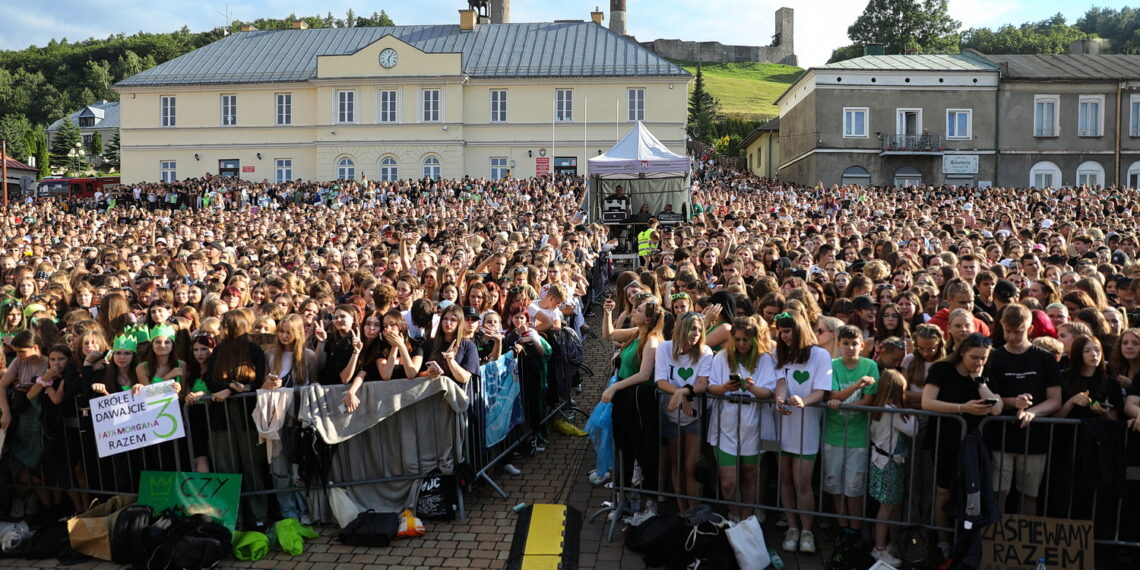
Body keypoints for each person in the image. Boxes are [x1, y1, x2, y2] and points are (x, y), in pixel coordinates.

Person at [921, 332, 1002, 556]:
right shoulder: (941, 370)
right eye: (974, 357)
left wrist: (980, 382)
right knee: (943, 493)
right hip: (944, 438)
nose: (979, 362)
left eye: (984, 358)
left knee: (971, 495)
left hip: (974, 444)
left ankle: (966, 542)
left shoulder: (984, 374)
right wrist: (962, 408)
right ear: (962, 353)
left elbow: (997, 407)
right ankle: (943, 541)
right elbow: (927, 402)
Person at [986, 303, 1061, 516]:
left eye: (1017, 332)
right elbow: (989, 397)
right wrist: (1012, 403)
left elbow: (1055, 400)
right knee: (999, 492)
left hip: (1035, 439)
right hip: (1001, 437)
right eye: (1007, 331)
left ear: (1029, 329)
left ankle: (1024, 542)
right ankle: (996, 540)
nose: (1011, 337)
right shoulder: (994, 358)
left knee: (1029, 494)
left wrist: (1033, 412)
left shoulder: (1045, 358)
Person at [701, 316, 776, 522]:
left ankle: (747, 517)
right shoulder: (721, 358)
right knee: (728, 482)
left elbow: (768, 392)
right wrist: (725, 387)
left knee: (750, 474)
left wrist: (751, 387)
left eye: (746, 339)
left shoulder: (765, 359)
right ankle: (733, 514)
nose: (742, 344)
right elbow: (711, 386)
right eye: (739, 339)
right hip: (725, 422)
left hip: (753, 423)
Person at [772, 309, 831, 554]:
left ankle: (807, 530)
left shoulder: (819, 355)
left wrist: (804, 400)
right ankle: (792, 527)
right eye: (781, 332)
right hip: (783, 424)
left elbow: (821, 390)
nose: (784, 336)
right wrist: (779, 399)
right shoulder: (780, 353)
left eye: (788, 331)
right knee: (785, 477)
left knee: (802, 481)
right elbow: (780, 382)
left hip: (807, 426)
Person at [601, 293, 663, 516]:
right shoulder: (638, 332)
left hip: (639, 400)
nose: (633, 312)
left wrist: (615, 386)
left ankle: (648, 503)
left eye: (639, 311)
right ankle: (622, 498)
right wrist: (607, 313)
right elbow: (609, 334)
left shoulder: (652, 341)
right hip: (625, 398)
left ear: (648, 319)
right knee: (623, 447)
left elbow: (644, 374)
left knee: (641, 450)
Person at [656, 311, 714, 513]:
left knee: (691, 466)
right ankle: (682, 511)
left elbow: (703, 383)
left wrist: (683, 393)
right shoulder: (664, 348)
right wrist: (681, 398)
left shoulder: (706, 352)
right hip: (670, 413)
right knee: (676, 464)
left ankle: (694, 510)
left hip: (695, 414)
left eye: (699, 329)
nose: (696, 333)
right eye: (692, 329)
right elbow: (661, 381)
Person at [824, 325, 878, 537]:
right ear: (839, 345)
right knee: (834, 483)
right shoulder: (833, 365)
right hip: (833, 434)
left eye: (854, 343)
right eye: (845, 343)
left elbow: (868, 400)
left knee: (854, 486)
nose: (849, 347)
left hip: (858, 437)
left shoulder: (870, 365)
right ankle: (842, 523)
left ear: (862, 346)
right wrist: (856, 386)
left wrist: (843, 400)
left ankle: (855, 528)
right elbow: (833, 395)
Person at [867, 369, 916, 567]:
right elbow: (912, 430)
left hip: (881, 460)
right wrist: (911, 412)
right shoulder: (893, 410)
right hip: (889, 463)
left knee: (889, 505)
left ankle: (889, 543)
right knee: (886, 507)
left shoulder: (878, 407)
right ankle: (879, 548)